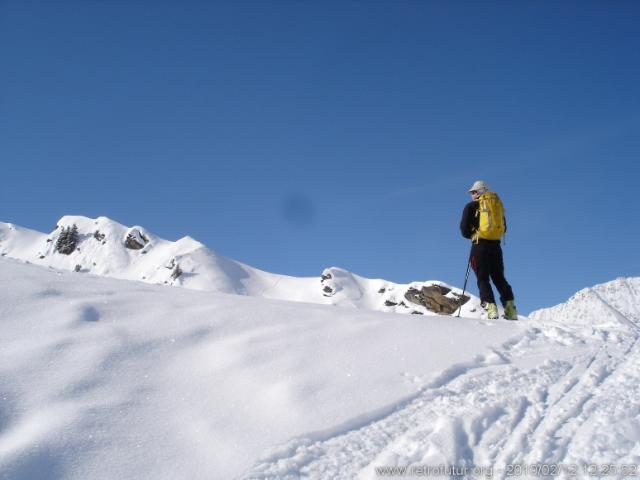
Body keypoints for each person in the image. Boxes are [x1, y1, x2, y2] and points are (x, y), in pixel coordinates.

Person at [459, 180, 518, 320]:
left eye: (474, 192)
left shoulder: (471, 206)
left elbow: (464, 230)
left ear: (480, 192)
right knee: (499, 278)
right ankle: (510, 309)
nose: (472, 194)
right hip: (496, 246)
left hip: (479, 245)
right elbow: (504, 228)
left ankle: (491, 308)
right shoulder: (496, 206)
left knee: (482, 278)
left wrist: (473, 234)